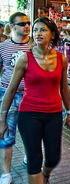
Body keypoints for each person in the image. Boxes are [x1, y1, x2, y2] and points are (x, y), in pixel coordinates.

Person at [0, 17, 70, 184]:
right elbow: (11, 89)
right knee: (34, 158)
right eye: (35, 30)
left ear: (52, 34)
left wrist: (69, 113)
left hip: (53, 114)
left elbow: (64, 89)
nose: (37, 33)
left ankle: (46, 176)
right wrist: (1, 119)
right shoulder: (25, 58)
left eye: (43, 30)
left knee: (53, 158)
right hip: (29, 114)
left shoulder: (62, 59)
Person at [0, 12, 32, 184]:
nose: (26, 26)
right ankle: (6, 172)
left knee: (30, 130)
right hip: (7, 94)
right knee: (6, 133)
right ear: (12, 27)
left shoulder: (34, 45)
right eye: (22, 24)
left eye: (28, 23)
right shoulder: (3, 47)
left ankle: (29, 155)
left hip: (30, 95)